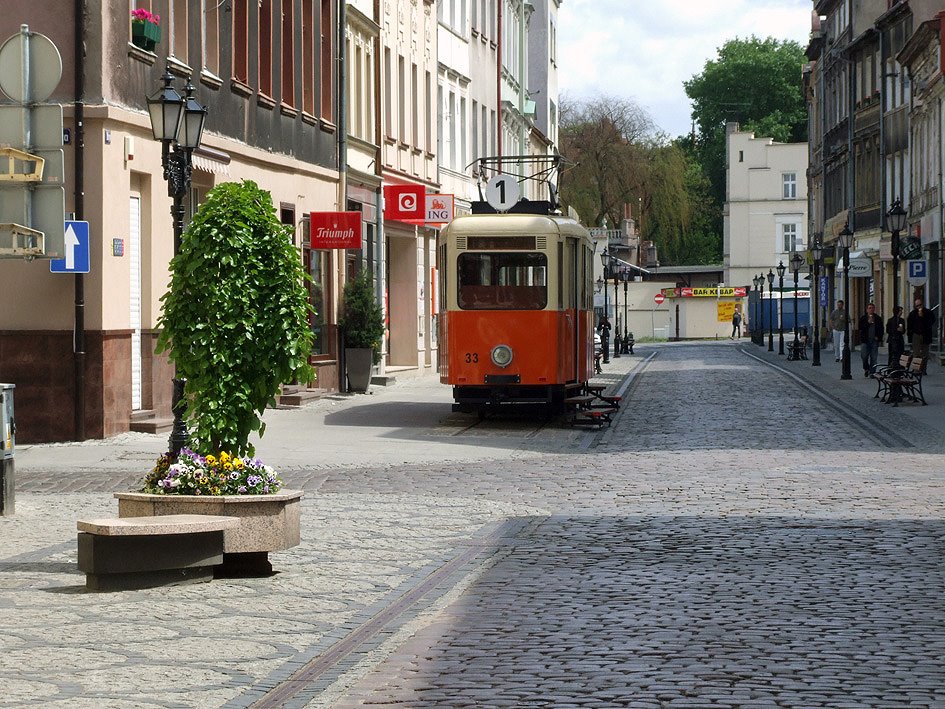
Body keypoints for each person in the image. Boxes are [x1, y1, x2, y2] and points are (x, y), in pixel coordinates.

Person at [907, 297, 936, 373]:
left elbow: (931, 322)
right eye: (917, 306)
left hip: (926, 335)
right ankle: (916, 369)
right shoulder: (913, 314)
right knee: (916, 353)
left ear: (922, 304)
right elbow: (910, 324)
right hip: (916, 334)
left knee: (925, 353)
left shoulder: (928, 312)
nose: (919, 307)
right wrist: (910, 335)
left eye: (920, 305)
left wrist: (922, 317)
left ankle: (923, 369)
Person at [857, 302, 882, 376]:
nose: (871, 309)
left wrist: (879, 337)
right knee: (864, 356)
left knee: (874, 357)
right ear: (867, 310)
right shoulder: (863, 318)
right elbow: (860, 328)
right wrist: (868, 323)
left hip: (874, 340)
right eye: (869, 308)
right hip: (865, 340)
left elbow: (881, 329)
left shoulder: (878, 318)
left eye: (872, 308)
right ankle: (866, 368)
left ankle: (872, 372)